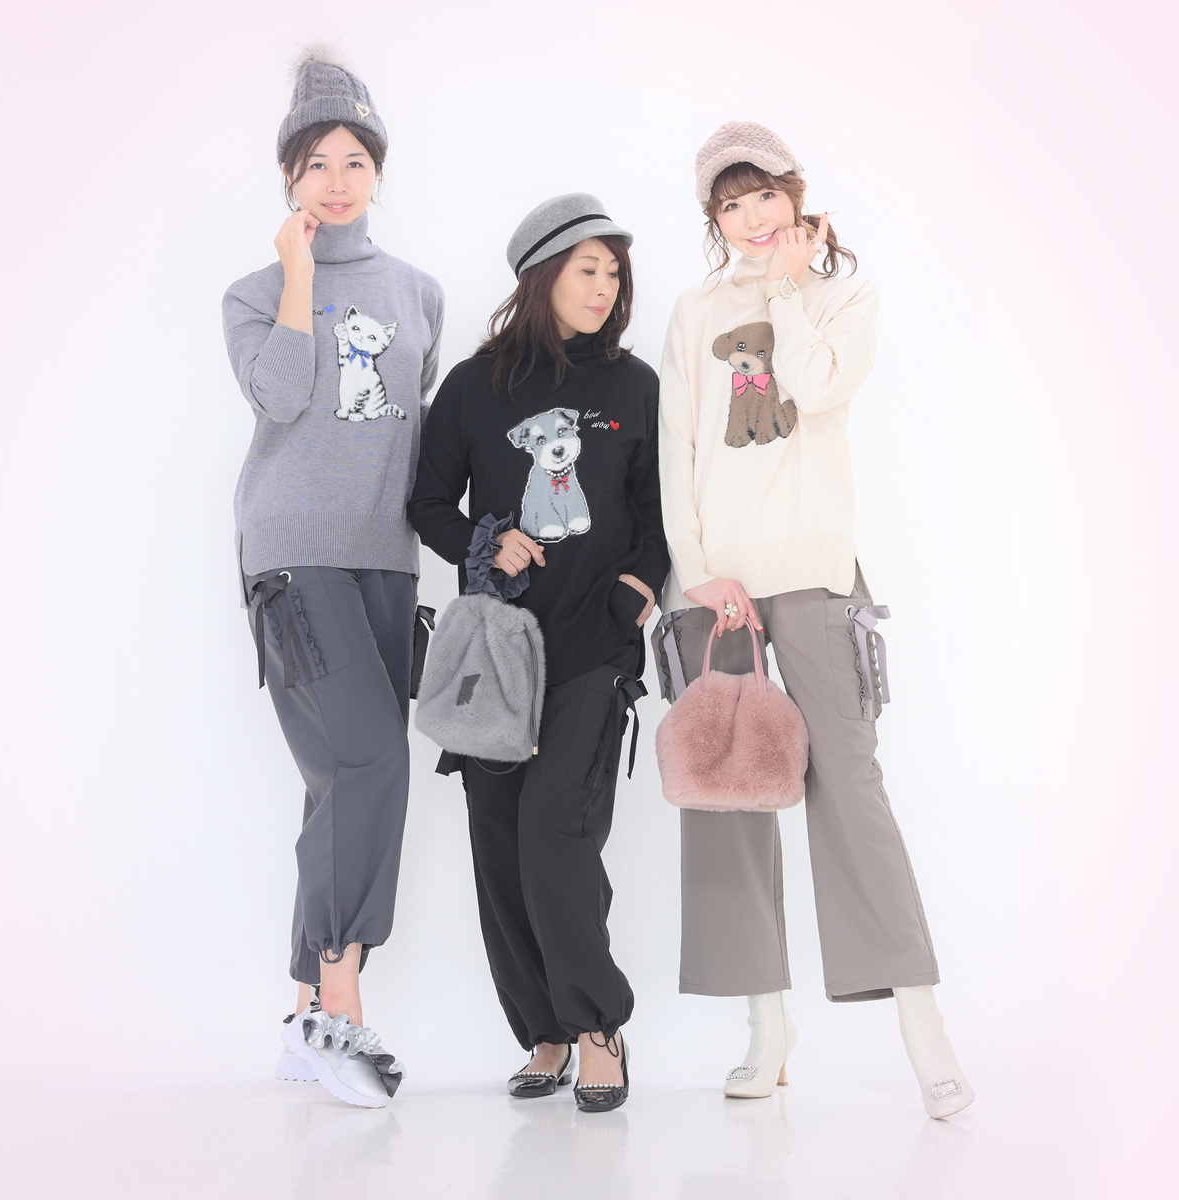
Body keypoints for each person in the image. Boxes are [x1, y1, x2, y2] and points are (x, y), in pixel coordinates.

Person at [654, 121, 975, 1118]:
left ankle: (923, 1027)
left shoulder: (845, 296)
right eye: (731, 204)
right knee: (729, 798)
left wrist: (790, 290)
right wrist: (696, 571)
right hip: (719, 588)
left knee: (851, 788)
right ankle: (767, 1026)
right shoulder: (694, 310)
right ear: (714, 219)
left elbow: (818, 384)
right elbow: (678, 446)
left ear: (795, 196)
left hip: (815, 574)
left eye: (765, 196)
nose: (752, 218)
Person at [409, 194, 668, 1113]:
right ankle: (545, 1032)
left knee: (557, 828)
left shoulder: (634, 387)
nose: (603, 288)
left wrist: (636, 591)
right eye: (586, 269)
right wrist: (487, 540)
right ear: (541, 276)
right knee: (499, 839)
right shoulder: (476, 385)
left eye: (613, 272)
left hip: (594, 645)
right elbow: (427, 502)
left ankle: (597, 1027)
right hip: (496, 648)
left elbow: (659, 512)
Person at [221, 49, 444, 1108]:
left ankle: (298, 1014)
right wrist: (301, 277)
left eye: (356, 161)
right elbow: (280, 398)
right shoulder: (254, 294)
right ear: (289, 177)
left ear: (378, 171)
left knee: (338, 782)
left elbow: (412, 428)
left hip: (385, 556)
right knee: (372, 764)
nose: (339, 181)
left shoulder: (420, 292)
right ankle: (339, 1011)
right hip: (293, 553)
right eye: (318, 164)